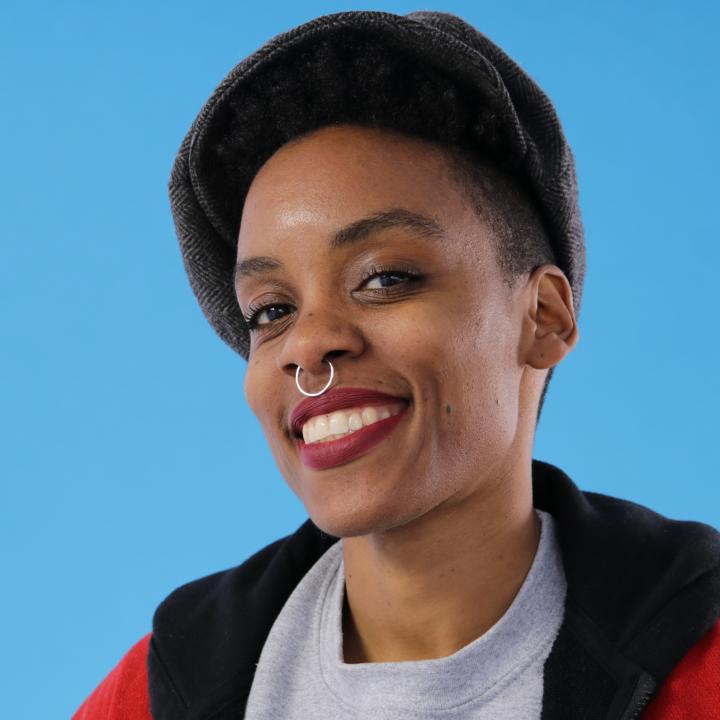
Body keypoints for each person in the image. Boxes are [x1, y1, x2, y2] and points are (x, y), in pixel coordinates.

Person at [73, 10, 720, 720]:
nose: (306, 343)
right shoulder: (159, 691)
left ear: (544, 318)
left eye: (385, 277)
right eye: (270, 311)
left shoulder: (701, 667)